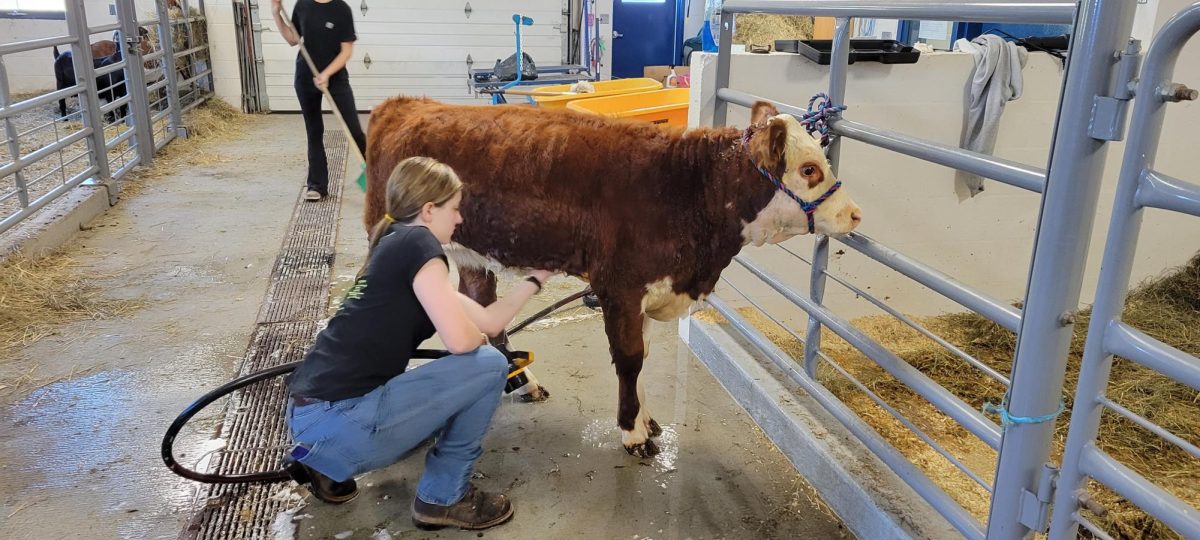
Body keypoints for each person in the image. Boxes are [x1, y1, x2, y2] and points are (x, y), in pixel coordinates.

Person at [284, 156, 555, 531]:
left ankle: (326, 465)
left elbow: (491, 320)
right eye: (455, 209)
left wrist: (539, 276)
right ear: (429, 210)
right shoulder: (420, 245)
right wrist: (473, 338)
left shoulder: (394, 243)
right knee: (491, 364)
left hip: (311, 417)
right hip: (344, 422)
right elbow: (464, 341)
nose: (459, 219)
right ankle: (443, 498)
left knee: (466, 374)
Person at [271, 0, 367, 202]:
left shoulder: (341, 9)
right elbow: (292, 39)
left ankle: (377, 178)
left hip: (335, 78)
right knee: (314, 131)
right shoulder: (303, 5)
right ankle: (317, 185)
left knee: (354, 130)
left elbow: (346, 51)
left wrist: (326, 74)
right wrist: (276, 13)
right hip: (306, 76)